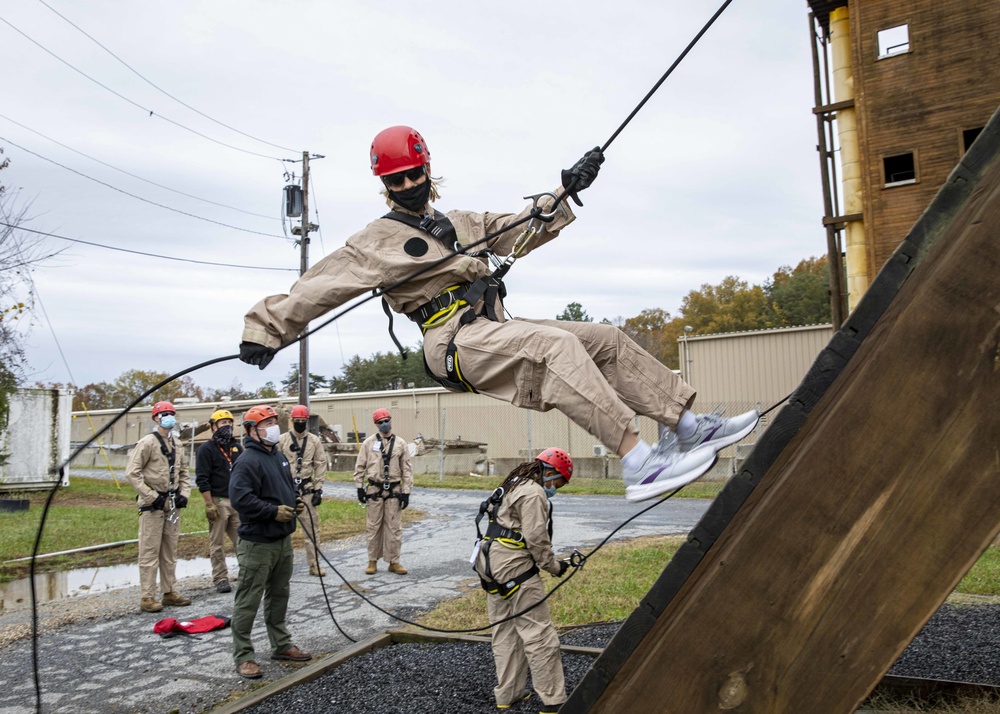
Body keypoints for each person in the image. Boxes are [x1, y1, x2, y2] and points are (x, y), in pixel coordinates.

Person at [237, 125, 758, 503]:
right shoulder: (375, 241)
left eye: (412, 175)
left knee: (602, 337)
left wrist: (566, 189)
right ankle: (638, 462)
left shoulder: (460, 221)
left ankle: (687, 425)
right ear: (384, 185)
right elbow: (319, 285)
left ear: (427, 169)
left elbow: (521, 227)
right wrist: (267, 330)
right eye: (394, 181)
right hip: (452, 344)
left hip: (492, 326)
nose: (406, 186)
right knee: (554, 348)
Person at [473, 448, 575, 713]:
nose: (556, 489)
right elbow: (537, 540)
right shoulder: (533, 492)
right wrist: (555, 567)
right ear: (549, 472)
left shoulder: (511, 483)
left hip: (490, 563)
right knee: (538, 633)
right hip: (515, 567)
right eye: (559, 482)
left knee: (505, 633)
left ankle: (507, 695)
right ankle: (553, 701)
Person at [228, 405, 312, 679]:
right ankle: (244, 655)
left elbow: (285, 488)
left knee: (279, 595)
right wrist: (272, 511)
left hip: (282, 540)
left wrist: (293, 501)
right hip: (258, 543)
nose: (274, 427)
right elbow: (241, 499)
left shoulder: (277, 456)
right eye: (268, 424)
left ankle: (281, 644)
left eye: (275, 422)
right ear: (253, 430)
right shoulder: (247, 460)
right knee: (248, 599)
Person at [124, 401, 193, 613]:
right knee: (149, 550)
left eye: (171, 414)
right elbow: (132, 473)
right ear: (156, 418)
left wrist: (184, 494)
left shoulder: (177, 443)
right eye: (164, 414)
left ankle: (169, 591)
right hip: (152, 504)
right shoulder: (147, 443)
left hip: (172, 503)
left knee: (170, 549)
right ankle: (147, 596)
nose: (168, 417)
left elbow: (184, 472)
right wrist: (150, 495)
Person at [353, 408, 413, 575]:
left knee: (394, 528)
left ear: (391, 420)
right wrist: (359, 487)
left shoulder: (400, 443)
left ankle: (394, 561)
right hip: (374, 489)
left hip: (394, 489)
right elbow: (360, 466)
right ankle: (372, 561)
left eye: (387, 420)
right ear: (376, 424)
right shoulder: (369, 443)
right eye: (381, 422)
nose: (385, 424)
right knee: (373, 527)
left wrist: (406, 492)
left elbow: (407, 469)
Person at [277, 404, 330, 577]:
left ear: (307, 421)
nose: (300, 423)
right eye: (297, 420)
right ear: (292, 421)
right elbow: (275, 464)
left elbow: (320, 464)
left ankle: (314, 564)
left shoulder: (314, 441)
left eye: (303, 421)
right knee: (281, 529)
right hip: (286, 489)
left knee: (312, 529)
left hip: (306, 489)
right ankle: (279, 567)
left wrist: (318, 489)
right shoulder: (282, 440)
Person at [195, 408, 243, 593]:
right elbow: (202, 479)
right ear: (214, 426)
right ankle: (221, 578)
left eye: (230, 423)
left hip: (236, 501)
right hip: (218, 500)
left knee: (242, 539)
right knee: (217, 543)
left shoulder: (236, 447)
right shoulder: (206, 450)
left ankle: (246, 571)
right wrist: (209, 503)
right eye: (223, 423)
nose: (228, 426)